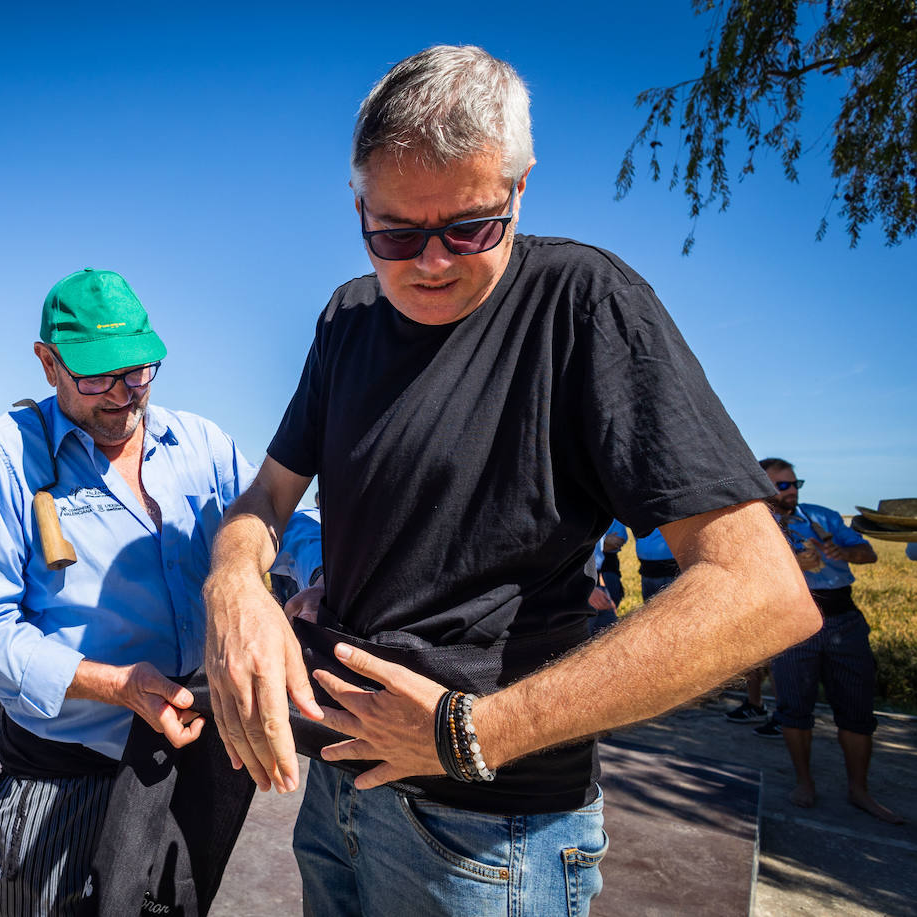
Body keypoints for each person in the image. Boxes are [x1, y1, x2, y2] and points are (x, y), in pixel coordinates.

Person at [200, 45, 819, 916]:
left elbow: (760, 590)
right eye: (395, 235)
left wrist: (473, 731)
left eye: (470, 229)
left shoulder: (585, 305)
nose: (432, 263)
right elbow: (266, 500)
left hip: (489, 837)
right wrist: (236, 588)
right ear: (357, 205)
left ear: (520, 190)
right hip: (335, 794)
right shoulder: (346, 318)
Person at [0, 268, 314, 915]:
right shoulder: (5, 455)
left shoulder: (199, 441)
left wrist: (321, 572)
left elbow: (283, 519)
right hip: (66, 777)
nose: (121, 394)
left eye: (136, 371)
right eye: (96, 377)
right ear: (47, 363)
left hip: (191, 763)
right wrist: (113, 683)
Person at [755, 458, 902, 823]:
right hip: (791, 622)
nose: (792, 491)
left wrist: (841, 552)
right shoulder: (754, 528)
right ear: (760, 486)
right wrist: (791, 567)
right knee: (794, 706)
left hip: (843, 620)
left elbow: (868, 553)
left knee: (856, 707)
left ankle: (859, 790)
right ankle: (804, 782)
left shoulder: (826, 517)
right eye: (783, 485)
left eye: (795, 483)